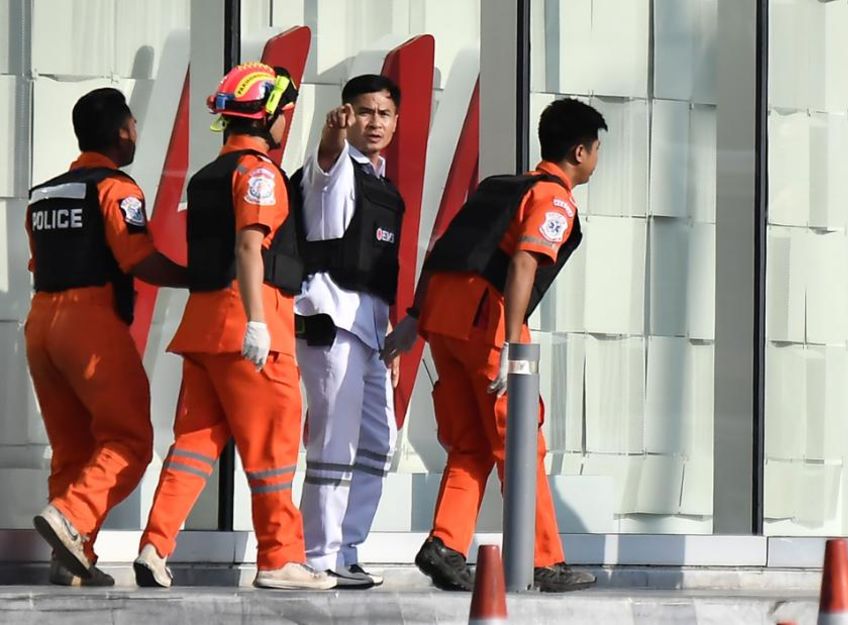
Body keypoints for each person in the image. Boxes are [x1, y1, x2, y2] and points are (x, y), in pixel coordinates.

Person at [382, 98, 605, 593]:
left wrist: (416, 318)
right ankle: (543, 561)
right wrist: (511, 342)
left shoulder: (500, 187)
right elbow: (525, 264)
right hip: (490, 323)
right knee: (522, 443)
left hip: (444, 319)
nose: (596, 159)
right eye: (596, 150)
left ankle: (445, 546)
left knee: (471, 444)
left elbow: (445, 247)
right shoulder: (554, 199)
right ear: (579, 151)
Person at [133, 62, 334, 590]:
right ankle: (279, 558)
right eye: (287, 114)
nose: (289, 123)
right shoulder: (259, 173)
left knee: (195, 444)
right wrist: (257, 324)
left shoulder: (207, 177)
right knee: (273, 450)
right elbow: (249, 246)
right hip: (250, 326)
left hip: (203, 329)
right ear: (271, 117)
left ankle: (155, 545)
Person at [26, 87, 188, 587]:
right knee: (130, 439)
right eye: (134, 124)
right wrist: (199, 277)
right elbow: (137, 259)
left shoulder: (45, 192)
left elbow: (39, 261)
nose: (136, 132)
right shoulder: (117, 188)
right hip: (90, 323)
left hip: (41, 324)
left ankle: (73, 561)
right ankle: (73, 517)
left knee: (72, 447)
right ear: (122, 131)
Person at [293, 74, 404, 589]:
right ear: (345, 115)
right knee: (332, 445)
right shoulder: (334, 169)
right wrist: (330, 138)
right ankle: (319, 556)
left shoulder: (383, 186)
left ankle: (348, 548)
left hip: (371, 333)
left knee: (380, 443)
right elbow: (323, 167)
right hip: (330, 323)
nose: (374, 122)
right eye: (363, 112)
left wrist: (388, 342)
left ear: (396, 121)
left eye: (383, 113)